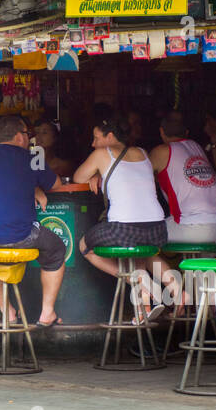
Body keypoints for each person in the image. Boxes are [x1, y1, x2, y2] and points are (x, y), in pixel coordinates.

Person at [0, 115, 69, 327]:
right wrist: (37, 185)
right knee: (57, 249)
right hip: (17, 235)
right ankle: (47, 313)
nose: (29, 138)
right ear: (19, 137)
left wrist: (33, 186)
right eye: (27, 134)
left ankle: (8, 311)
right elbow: (56, 184)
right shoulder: (32, 157)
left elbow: (6, 181)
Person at [73, 119, 170, 320]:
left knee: (84, 246)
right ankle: (144, 307)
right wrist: (101, 173)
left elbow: (77, 177)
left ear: (110, 137)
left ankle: (137, 281)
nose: (92, 144)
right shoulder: (143, 152)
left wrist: (96, 173)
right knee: (139, 255)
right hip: (158, 230)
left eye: (96, 138)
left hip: (124, 229)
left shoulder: (102, 154)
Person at [150, 111, 216, 246]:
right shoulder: (197, 147)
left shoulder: (160, 151)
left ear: (161, 131)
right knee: (202, 266)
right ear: (186, 132)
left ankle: (162, 268)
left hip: (194, 226)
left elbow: (139, 182)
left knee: (144, 234)